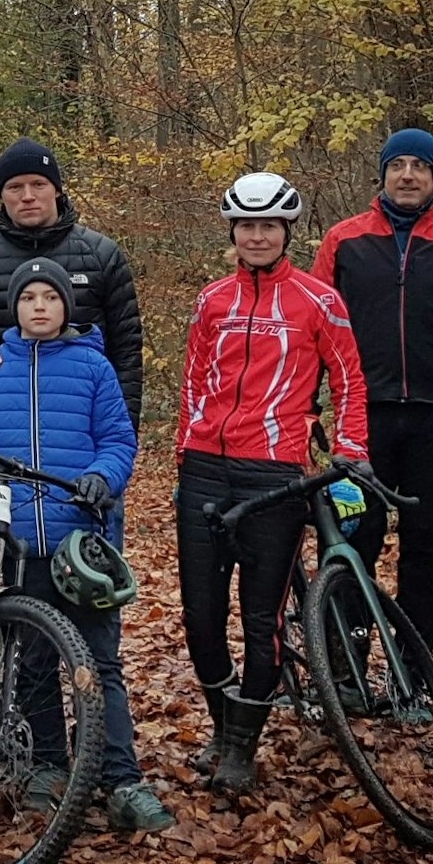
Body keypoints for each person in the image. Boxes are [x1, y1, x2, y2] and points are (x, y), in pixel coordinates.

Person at [0, 257, 174, 832]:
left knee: (100, 662)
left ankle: (121, 777)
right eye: (29, 299)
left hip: (84, 543)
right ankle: (49, 765)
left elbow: (119, 439)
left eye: (51, 297)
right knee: (36, 661)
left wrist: (105, 476)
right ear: (15, 307)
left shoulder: (92, 367)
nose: (40, 307)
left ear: (66, 308)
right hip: (21, 545)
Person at [174, 173, 370, 795]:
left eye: (268, 227)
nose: (257, 237)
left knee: (261, 620)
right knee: (201, 621)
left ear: (287, 232)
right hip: (205, 467)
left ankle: (241, 747)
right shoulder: (212, 301)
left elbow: (351, 383)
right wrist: (185, 446)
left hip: (275, 473)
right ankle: (223, 726)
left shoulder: (319, 300)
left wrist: (350, 452)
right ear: (232, 233)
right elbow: (194, 377)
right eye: (246, 227)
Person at [311, 128, 433, 649]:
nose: (407, 175)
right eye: (396, 164)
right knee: (358, 533)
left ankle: (415, 666)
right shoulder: (343, 240)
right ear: (381, 174)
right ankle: (345, 657)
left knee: (427, 542)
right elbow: (310, 329)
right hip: (362, 415)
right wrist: (306, 409)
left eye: (419, 166)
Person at [0, 137, 146, 429]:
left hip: (83, 427)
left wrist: (122, 436)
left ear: (57, 190)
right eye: (14, 187)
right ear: (1, 195)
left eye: (38, 184)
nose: (28, 196)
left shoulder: (101, 255)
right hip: (4, 427)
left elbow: (127, 354)